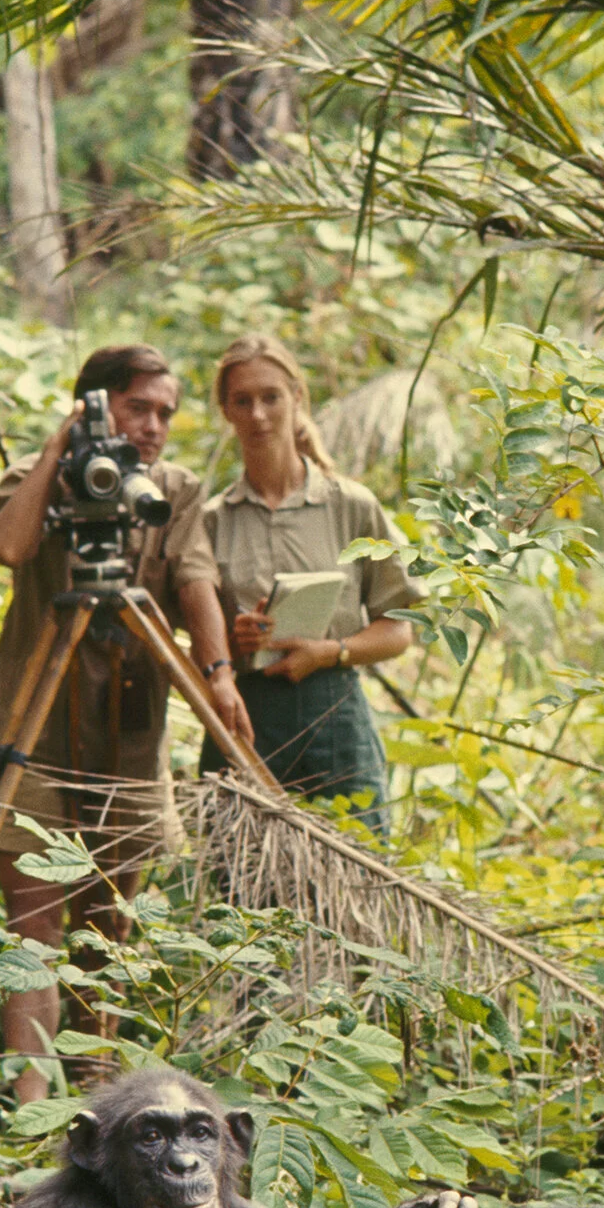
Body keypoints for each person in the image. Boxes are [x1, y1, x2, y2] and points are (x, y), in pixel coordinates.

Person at [0, 345, 253, 1099]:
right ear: (96, 406)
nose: (154, 426)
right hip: (33, 734)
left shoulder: (173, 490)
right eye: (138, 408)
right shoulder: (36, 481)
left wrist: (217, 671)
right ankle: (30, 1110)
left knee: (108, 930)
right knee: (33, 932)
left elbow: (194, 577)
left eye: (165, 412)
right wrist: (57, 448)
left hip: (130, 739)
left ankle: (95, 1097)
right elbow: (10, 545)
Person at [200, 335, 421, 834]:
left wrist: (329, 652)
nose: (258, 415)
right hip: (247, 713)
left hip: (335, 711)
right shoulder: (213, 520)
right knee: (241, 878)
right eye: (243, 401)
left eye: (271, 397)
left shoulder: (351, 506)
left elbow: (400, 629)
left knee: (354, 865)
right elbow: (196, 634)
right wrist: (235, 640)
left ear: (297, 397)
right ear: (226, 412)